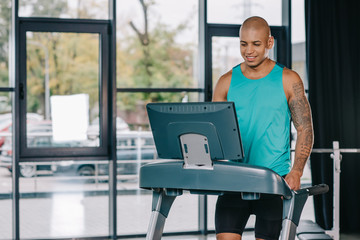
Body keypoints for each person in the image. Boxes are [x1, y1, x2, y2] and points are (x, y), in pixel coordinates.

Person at [212, 16, 314, 240]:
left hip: (273, 181)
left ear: (269, 43)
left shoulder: (289, 79)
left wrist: (297, 171)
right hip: (235, 179)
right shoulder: (225, 82)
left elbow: (305, 128)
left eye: (256, 44)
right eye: (243, 44)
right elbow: (215, 132)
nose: (249, 50)